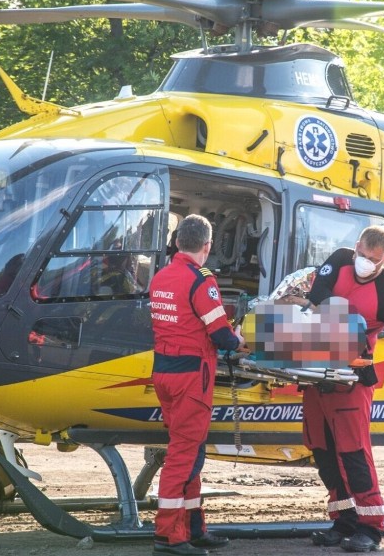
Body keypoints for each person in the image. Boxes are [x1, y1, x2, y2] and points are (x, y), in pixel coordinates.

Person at [299, 225, 384, 553]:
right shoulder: (339, 260)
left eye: (375, 260)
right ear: (355, 248)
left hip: (351, 380)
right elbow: (317, 293)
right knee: (323, 451)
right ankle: (344, 520)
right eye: (363, 256)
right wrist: (345, 318)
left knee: (353, 453)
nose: (367, 263)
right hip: (317, 374)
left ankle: (371, 527)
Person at [149, 214, 245, 556]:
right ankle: (168, 536)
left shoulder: (160, 277)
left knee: (191, 451)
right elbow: (220, 334)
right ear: (207, 246)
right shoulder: (201, 280)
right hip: (192, 377)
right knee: (184, 455)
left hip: (164, 373)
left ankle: (191, 526)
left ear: (176, 242)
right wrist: (239, 340)